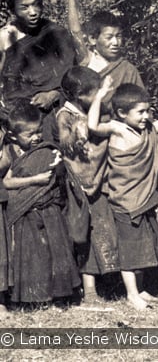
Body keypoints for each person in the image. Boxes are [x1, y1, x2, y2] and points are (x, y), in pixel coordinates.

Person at [88, 81, 158, 310]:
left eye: (147, 111)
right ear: (122, 113)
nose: (145, 116)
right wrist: (100, 95)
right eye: (140, 112)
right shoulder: (118, 128)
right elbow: (92, 125)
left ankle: (139, 289)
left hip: (145, 197)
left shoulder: (146, 128)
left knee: (143, 246)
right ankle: (131, 294)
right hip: (126, 200)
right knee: (130, 249)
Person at [3, 99, 78, 306]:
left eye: (38, 132)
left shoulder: (47, 149)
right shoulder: (10, 152)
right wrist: (34, 180)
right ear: (12, 135)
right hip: (27, 213)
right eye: (29, 135)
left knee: (56, 251)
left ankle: (59, 295)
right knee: (33, 255)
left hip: (50, 210)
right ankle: (33, 297)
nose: (36, 138)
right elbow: (6, 182)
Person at [53, 66, 118, 303]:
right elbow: (66, 144)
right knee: (82, 234)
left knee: (102, 230)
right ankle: (88, 289)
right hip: (78, 184)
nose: (99, 96)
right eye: (95, 93)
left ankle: (107, 282)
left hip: (99, 180)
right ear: (81, 95)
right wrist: (78, 135)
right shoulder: (65, 116)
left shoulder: (95, 111)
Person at [0, 0, 77, 110]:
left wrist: (54, 94)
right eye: (25, 7)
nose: (33, 12)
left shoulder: (55, 33)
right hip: (18, 114)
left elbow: (73, 75)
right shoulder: (5, 38)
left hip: (58, 110)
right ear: (12, 10)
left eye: (36, 4)